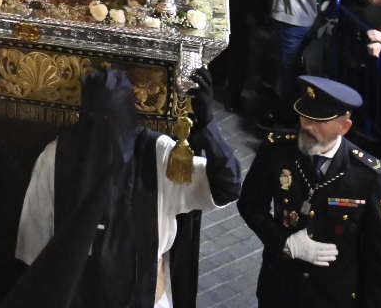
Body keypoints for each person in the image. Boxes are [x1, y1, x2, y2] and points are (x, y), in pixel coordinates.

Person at [15, 66, 242, 307]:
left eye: (112, 122)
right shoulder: (55, 157)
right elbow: (35, 252)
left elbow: (226, 186)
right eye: (95, 123)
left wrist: (207, 125)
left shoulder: (159, 155)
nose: (104, 137)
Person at [239, 75, 381, 308]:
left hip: (332, 295)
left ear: (344, 126)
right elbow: (250, 205)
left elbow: (380, 256)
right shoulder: (276, 150)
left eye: (318, 121)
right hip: (280, 287)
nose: (307, 126)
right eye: (304, 117)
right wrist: (284, 241)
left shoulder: (367, 175)